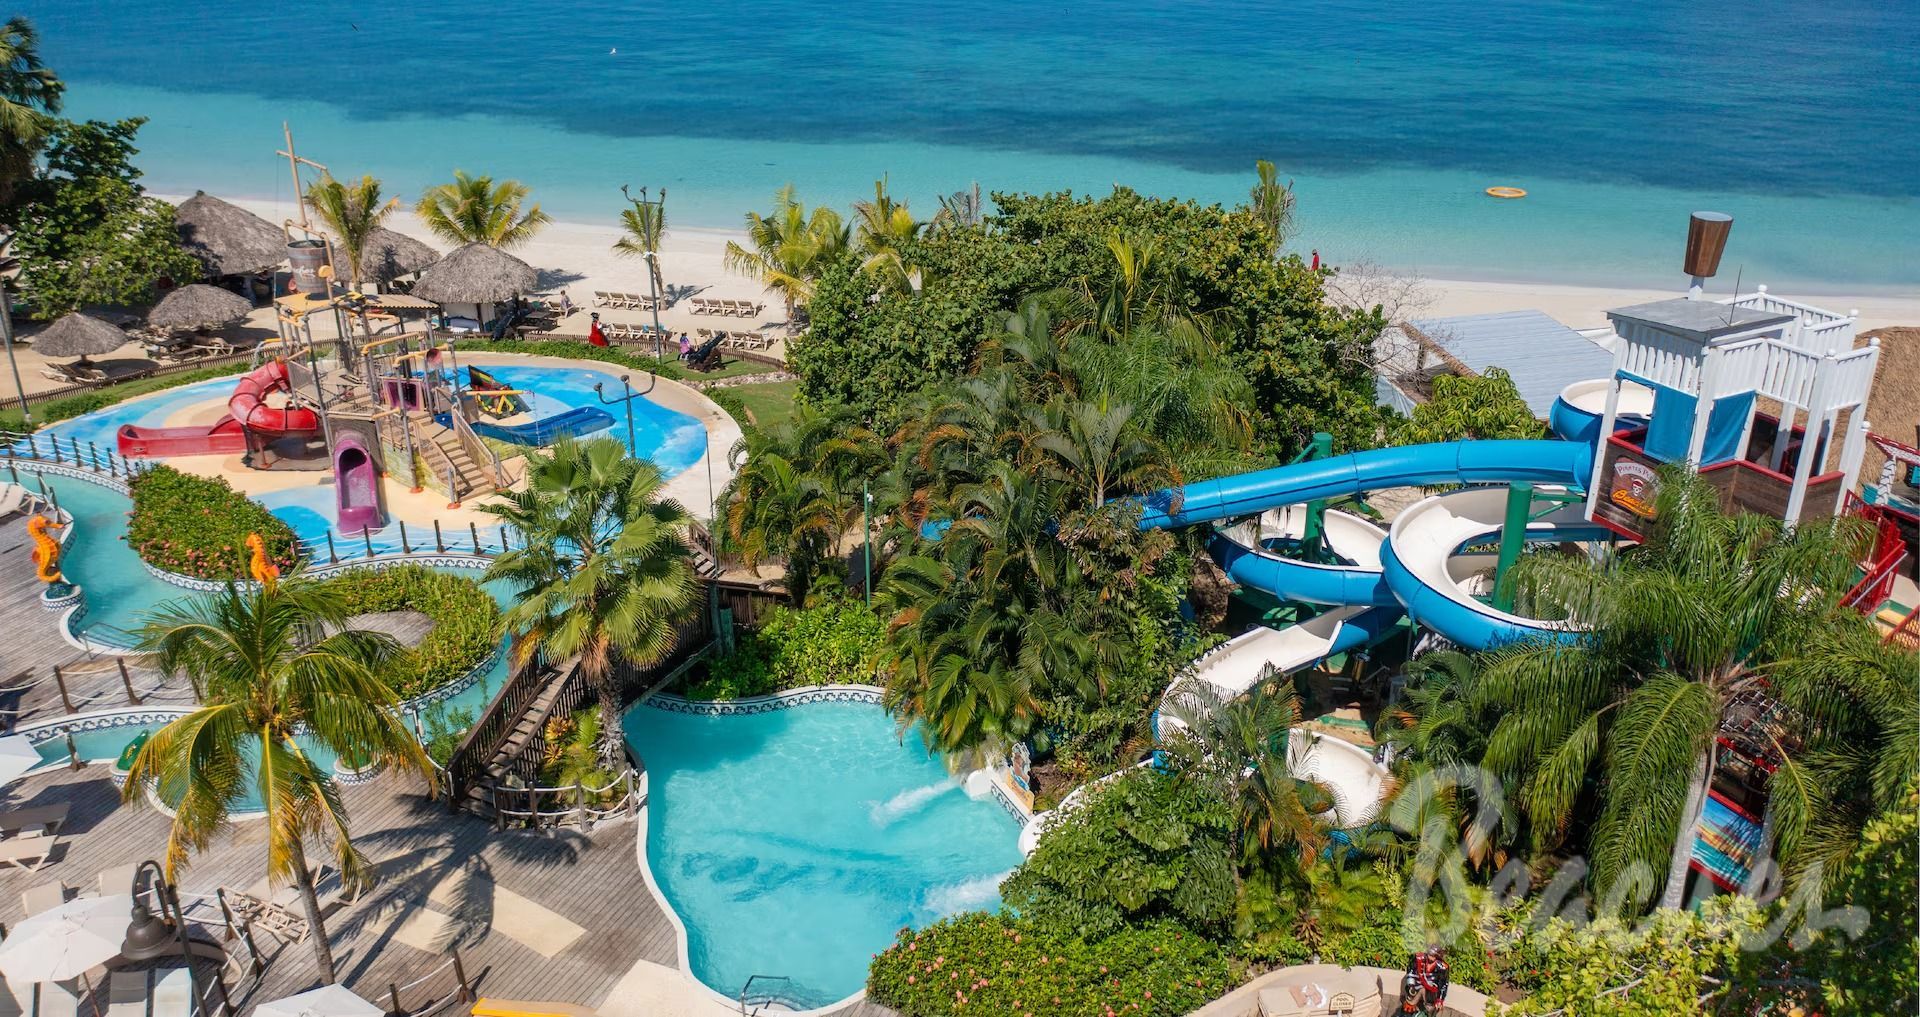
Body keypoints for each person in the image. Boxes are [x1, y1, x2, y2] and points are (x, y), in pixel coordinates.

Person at [1401, 947, 1450, 1015]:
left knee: (1432, 1009)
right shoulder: (1418, 958)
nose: (1431, 957)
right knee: (1408, 1008)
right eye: (1430, 954)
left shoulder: (1442, 967)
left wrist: (1440, 999)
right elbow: (1411, 971)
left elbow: (1443, 984)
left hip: (1431, 994)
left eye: (1434, 955)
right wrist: (1411, 985)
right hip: (1415, 990)